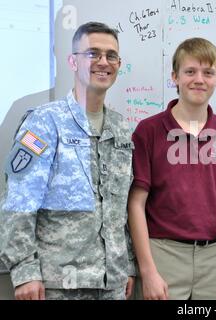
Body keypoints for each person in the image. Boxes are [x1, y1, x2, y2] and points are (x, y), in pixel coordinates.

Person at [0, 22, 135, 300]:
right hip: (57, 285)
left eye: (111, 56)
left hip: (112, 284)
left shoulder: (121, 129)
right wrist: (25, 271)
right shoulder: (43, 122)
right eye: (92, 53)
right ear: (72, 61)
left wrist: (127, 265)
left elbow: (120, 208)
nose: (103, 62)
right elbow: (17, 201)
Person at [128, 37, 216, 300]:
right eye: (190, 71)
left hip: (214, 260)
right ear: (174, 77)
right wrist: (148, 271)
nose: (199, 79)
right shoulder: (149, 131)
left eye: (208, 72)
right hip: (163, 256)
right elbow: (135, 204)